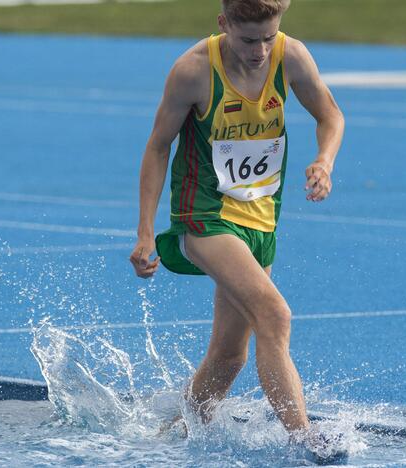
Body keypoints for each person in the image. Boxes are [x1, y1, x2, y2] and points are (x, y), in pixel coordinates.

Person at [129, 0, 345, 459]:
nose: (260, 51)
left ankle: (172, 438)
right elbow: (158, 147)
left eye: (269, 37)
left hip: (261, 217)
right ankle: (304, 440)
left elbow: (330, 115)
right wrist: (145, 231)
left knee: (230, 357)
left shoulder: (291, 56)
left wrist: (324, 161)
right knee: (275, 314)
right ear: (223, 23)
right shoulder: (193, 71)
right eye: (248, 40)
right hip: (205, 215)